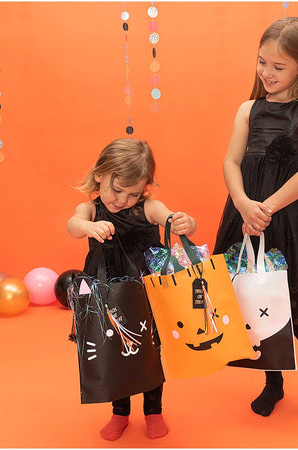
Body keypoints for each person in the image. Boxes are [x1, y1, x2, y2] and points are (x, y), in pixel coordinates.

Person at [213, 17, 298, 431]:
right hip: (246, 214)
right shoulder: (248, 109)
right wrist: (243, 203)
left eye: (278, 66)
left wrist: (265, 209)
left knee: (296, 311)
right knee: (255, 302)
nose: (267, 73)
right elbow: (231, 161)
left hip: (286, 217)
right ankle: (273, 383)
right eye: (262, 63)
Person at [67, 138, 196, 441]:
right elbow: (73, 225)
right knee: (112, 348)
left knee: (150, 350)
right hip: (107, 290)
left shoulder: (149, 208)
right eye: (117, 189)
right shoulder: (89, 209)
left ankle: (153, 411)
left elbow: (170, 218)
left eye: (133, 193)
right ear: (99, 174)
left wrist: (185, 223)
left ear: (144, 189)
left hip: (146, 292)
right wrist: (89, 227)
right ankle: (120, 412)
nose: (123, 200)